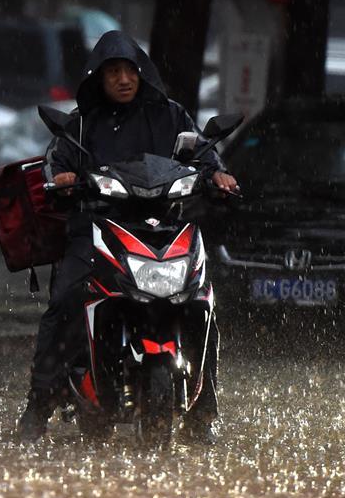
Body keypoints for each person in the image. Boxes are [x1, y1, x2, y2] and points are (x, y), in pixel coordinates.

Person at [17, 31, 238, 443]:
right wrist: (60, 179)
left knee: (202, 304)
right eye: (112, 72)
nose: (122, 79)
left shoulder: (170, 115)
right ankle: (38, 406)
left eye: (128, 71)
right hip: (98, 229)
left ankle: (203, 412)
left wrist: (217, 175)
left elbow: (203, 155)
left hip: (166, 229)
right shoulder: (82, 125)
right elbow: (56, 161)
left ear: (141, 73)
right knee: (64, 304)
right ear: (98, 79)